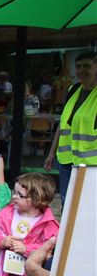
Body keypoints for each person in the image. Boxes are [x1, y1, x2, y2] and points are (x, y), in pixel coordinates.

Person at [0, 173, 59, 276]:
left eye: (20, 195)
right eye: (14, 192)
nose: (14, 196)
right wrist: (2, 240)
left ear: (36, 199)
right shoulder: (8, 213)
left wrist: (26, 249)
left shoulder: (48, 223)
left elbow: (51, 249)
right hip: (8, 271)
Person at [45, 51, 97, 205]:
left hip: (91, 163)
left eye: (87, 66)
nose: (81, 71)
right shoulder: (73, 90)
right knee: (67, 202)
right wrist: (51, 152)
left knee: (87, 205)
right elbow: (63, 124)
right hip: (66, 160)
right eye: (78, 67)